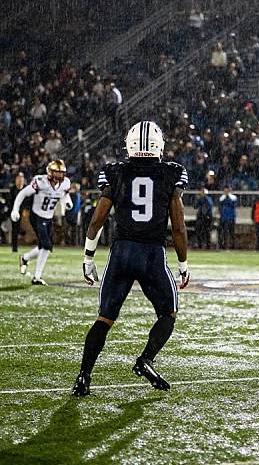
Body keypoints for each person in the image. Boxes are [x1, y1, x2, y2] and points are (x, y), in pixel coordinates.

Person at [72, 121, 190, 396]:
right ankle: (145, 359)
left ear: (130, 144)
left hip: (121, 253)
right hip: (152, 254)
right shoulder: (170, 173)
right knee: (168, 313)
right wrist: (183, 264)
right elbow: (179, 227)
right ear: (159, 144)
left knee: (105, 318)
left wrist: (88, 257)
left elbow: (96, 221)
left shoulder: (116, 172)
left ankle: (83, 377)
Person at [11, 160, 73, 285]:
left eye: (61, 173)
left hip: (49, 217)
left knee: (45, 246)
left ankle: (25, 258)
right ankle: (37, 277)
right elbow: (23, 193)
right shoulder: (41, 181)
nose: (59, 176)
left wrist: (67, 201)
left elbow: (64, 194)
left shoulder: (65, 183)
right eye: (56, 172)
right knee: (46, 245)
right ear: (49, 172)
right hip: (37, 216)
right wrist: (15, 209)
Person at [9, 172, 28, 252]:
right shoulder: (13, 189)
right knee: (15, 229)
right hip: (15, 211)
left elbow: (28, 200)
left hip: (25, 212)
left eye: (21, 178)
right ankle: (14, 247)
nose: (20, 180)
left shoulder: (26, 189)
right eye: (18, 178)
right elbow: (10, 201)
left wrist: (26, 210)